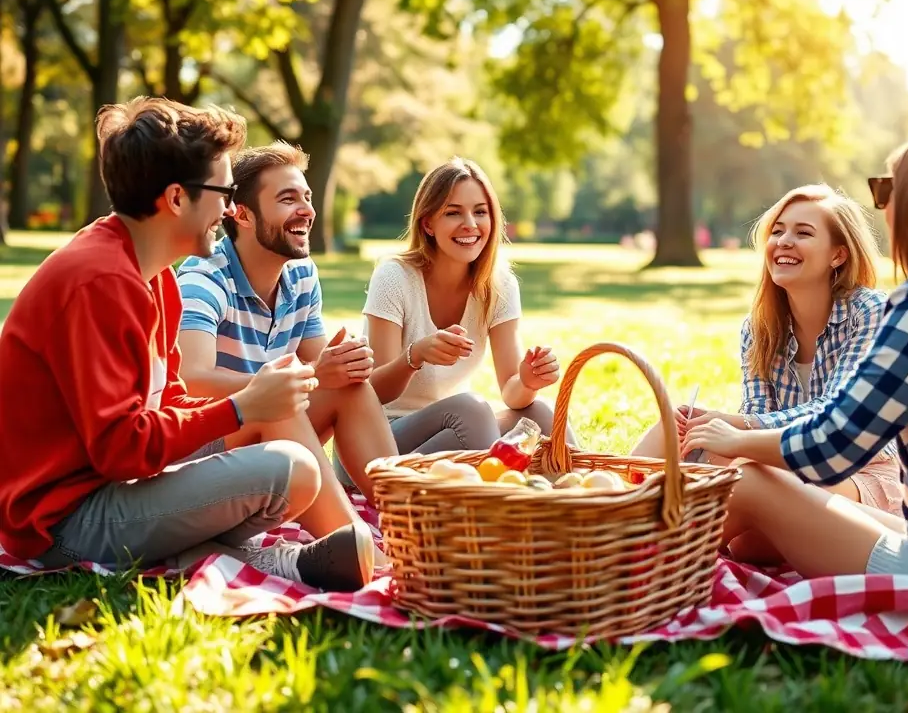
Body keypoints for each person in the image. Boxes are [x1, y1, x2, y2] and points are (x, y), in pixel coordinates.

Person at [0, 97, 374, 593]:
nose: (228, 206)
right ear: (176, 198)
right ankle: (341, 565)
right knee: (290, 468)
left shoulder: (155, 277)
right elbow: (120, 450)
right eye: (222, 191)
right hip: (64, 520)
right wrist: (239, 408)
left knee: (277, 419)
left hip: (118, 488)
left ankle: (324, 553)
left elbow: (167, 399)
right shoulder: (97, 283)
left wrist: (252, 407)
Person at [682, 128, 908, 603]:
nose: (883, 206)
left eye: (887, 188)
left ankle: (627, 571)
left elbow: (835, 447)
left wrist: (735, 439)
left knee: (748, 480)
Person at [632, 186, 902, 562]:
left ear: (838, 254)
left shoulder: (871, 311)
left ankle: (639, 556)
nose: (784, 242)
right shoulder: (759, 328)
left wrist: (739, 426)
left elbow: (836, 413)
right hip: (779, 463)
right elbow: (757, 413)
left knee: (745, 516)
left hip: (858, 472)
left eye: (803, 233)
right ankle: (605, 514)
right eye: (777, 231)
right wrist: (723, 430)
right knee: (672, 424)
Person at [175, 142, 398, 527]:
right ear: (242, 215)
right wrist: (310, 376)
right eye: (287, 198)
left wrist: (344, 363)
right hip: (200, 451)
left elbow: (323, 370)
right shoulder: (204, 277)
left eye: (307, 198)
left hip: (268, 434)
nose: (307, 211)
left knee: (350, 385)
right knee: (281, 401)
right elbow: (191, 381)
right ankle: (359, 548)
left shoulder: (300, 274)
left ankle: (409, 519)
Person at [362, 156, 571, 455]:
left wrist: (527, 381)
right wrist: (415, 355)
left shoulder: (499, 285)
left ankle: (580, 494)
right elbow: (373, 393)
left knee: (540, 414)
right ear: (428, 224)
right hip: (378, 440)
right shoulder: (394, 276)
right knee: (471, 410)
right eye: (453, 213)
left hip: (455, 431)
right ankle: (493, 493)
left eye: (480, 212)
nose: (470, 225)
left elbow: (512, 393)